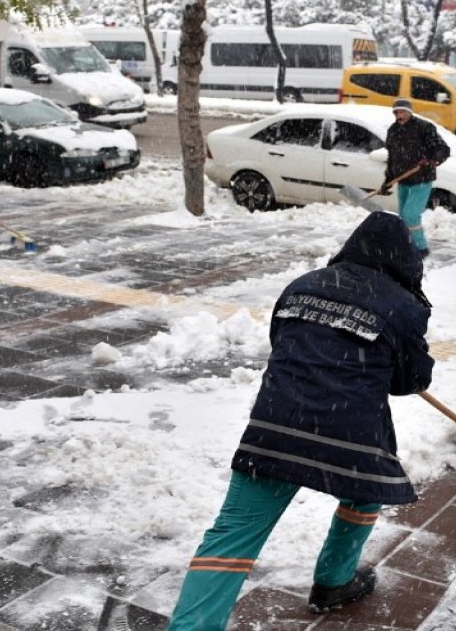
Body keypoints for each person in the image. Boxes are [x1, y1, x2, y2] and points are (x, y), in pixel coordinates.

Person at [168, 212, 434, 631]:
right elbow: (412, 381)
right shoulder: (402, 305)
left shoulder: (303, 285)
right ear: (406, 260)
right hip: (350, 437)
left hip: (274, 427)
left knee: (233, 535)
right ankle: (333, 581)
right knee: (365, 492)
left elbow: (282, 343)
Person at [377, 98, 450, 258]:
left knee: (411, 214)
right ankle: (407, 245)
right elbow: (392, 159)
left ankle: (421, 248)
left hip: (422, 178)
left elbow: (443, 149)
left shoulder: (424, 127)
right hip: (403, 179)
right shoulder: (393, 131)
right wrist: (387, 181)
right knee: (404, 215)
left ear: (410, 112)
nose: (400, 115)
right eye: (397, 112)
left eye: (403, 112)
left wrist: (431, 159)